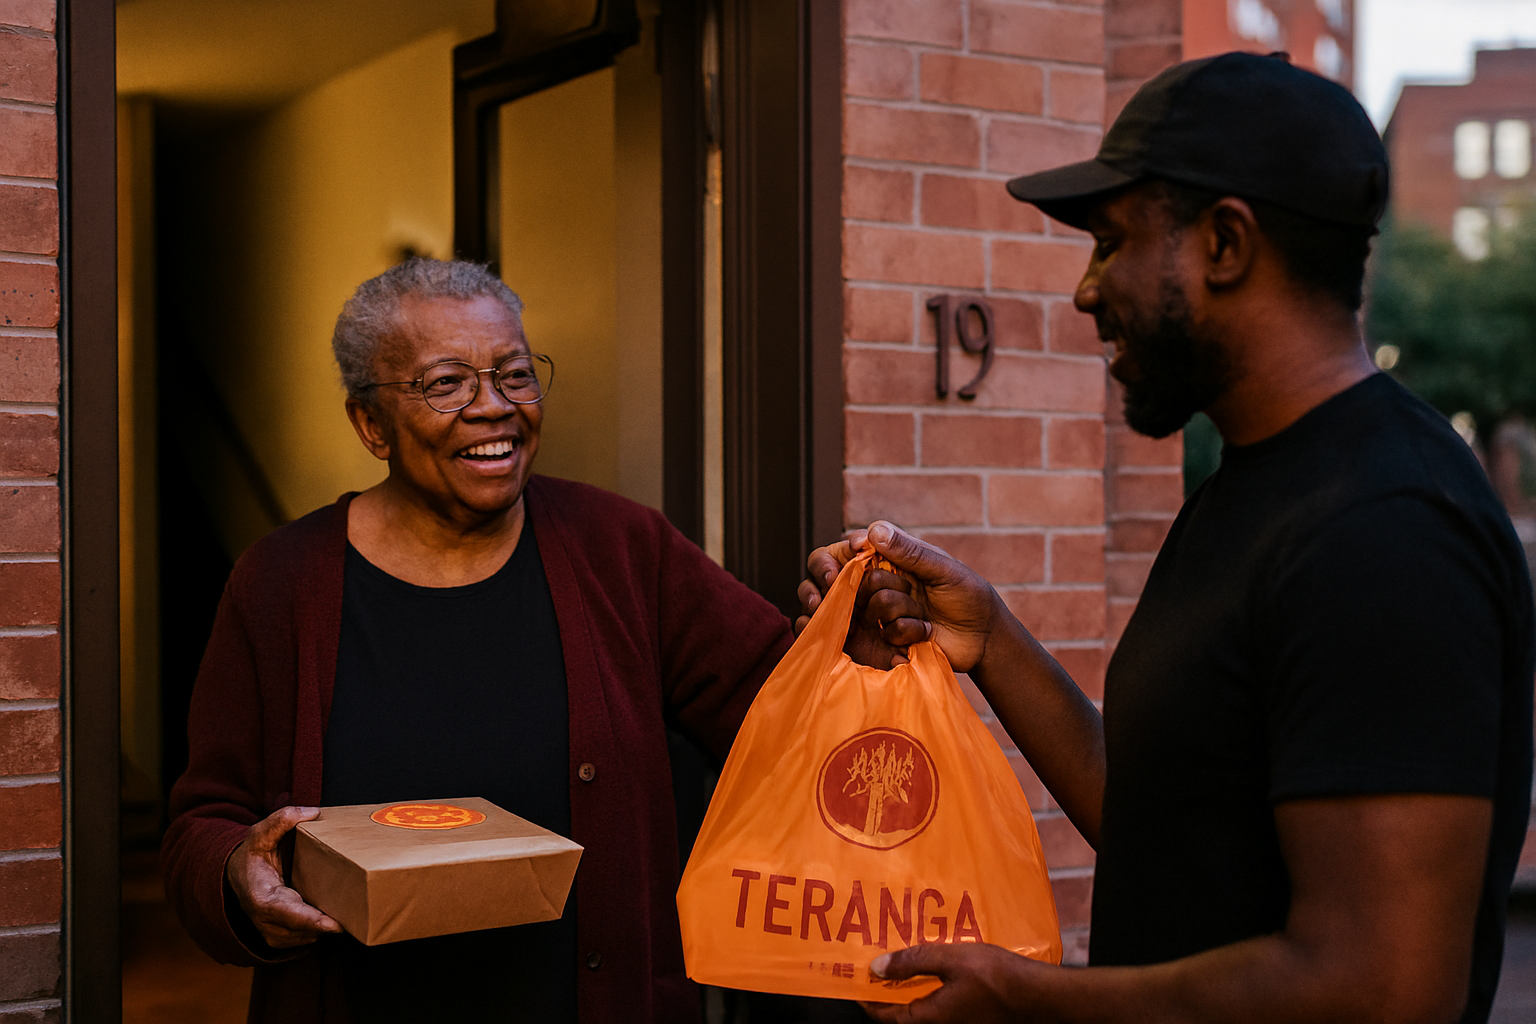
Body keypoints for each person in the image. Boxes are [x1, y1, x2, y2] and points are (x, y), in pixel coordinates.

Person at [799, 53, 1534, 1024]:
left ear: (1225, 244)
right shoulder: (1254, 485)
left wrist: (1032, 1000)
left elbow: (1384, 987)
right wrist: (986, 639)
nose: (1085, 291)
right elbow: (1167, 829)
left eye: (1112, 243)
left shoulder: (1386, 529)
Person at [161, 258, 793, 1023]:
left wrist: (851, 632)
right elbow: (205, 820)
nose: (492, 407)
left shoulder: (623, 549)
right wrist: (236, 872)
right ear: (371, 425)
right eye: (445, 383)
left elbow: (787, 715)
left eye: (515, 374)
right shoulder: (279, 583)